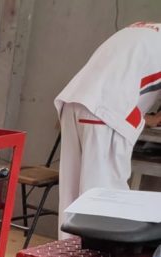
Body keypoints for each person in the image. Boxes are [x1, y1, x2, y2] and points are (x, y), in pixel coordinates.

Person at [54, 21, 161, 235]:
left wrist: (149, 119)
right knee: (106, 201)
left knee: (72, 197)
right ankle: (97, 255)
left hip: (75, 101)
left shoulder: (142, 28)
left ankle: (66, 253)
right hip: (107, 113)